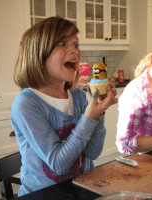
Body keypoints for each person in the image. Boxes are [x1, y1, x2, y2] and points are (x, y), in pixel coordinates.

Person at [11, 17, 117, 196]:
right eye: (62, 43)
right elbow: (59, 165)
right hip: (43, 194)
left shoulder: (78, 96)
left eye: (76, 44)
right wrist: (90, 116)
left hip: (80, 189)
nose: (75, 51)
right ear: (38, 52)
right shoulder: (26, 103)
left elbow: (92, 153)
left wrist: (98, 112)